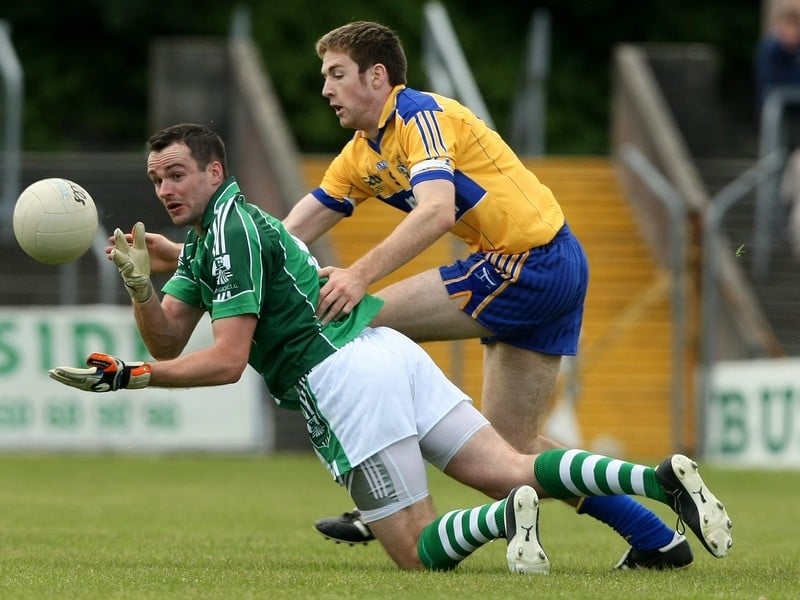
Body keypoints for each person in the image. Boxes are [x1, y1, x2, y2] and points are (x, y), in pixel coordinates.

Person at [51, 123, 733, 574]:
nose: (165, 189)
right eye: (156, 180)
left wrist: (136, 378)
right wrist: (143, 285)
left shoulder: (224, 234)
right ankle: (655, 480)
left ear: (214, 170)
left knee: (411, 552)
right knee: (510, 464)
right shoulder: (218, 234)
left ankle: (503, 521)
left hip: (343, 381)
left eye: (176, 173)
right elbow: (170, 330)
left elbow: (227, 362)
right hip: (387, 351)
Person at [133, 22, 693, 570]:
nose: (325, 89)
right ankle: (654, 531)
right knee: (509, 450)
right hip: (540, 264)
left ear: (377, 76)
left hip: (529, 263)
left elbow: (435, 210)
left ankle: (378, 480)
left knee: (353, 324)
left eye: (336, 74)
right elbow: (277, 241)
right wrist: (188, 259)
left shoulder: (417, 115)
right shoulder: (358, 154)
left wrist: (359, 277)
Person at [755, 1, 800, 257]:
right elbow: (772, 85)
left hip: (792, 126)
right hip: (781, 126)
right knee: (777, 172)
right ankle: (773, 230)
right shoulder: (772, 52)